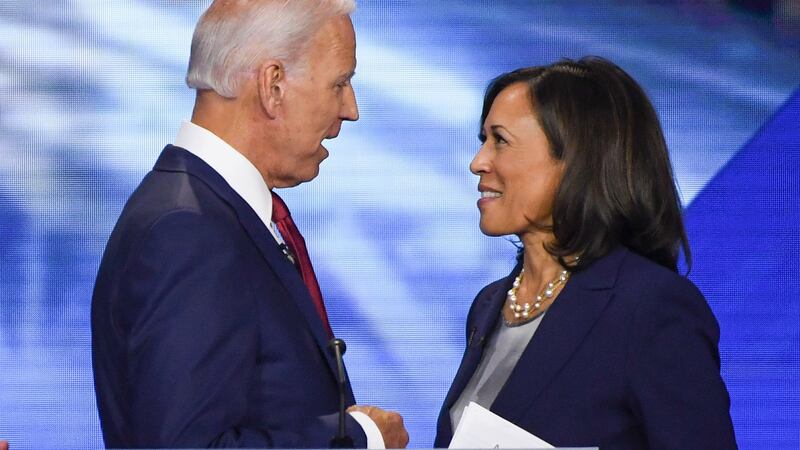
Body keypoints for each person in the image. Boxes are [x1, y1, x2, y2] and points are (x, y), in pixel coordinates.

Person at [91, 0, 408, 448]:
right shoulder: (189, 229)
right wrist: (360, 438)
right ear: (272, 85)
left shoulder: (213, 212)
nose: (351, 109)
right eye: (340, 83)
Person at [435, 57, 737, 449]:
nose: (479, 163)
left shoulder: (648, 308)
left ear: (575, 160)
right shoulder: (490, 304)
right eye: (483, 140)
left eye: (500, 140)